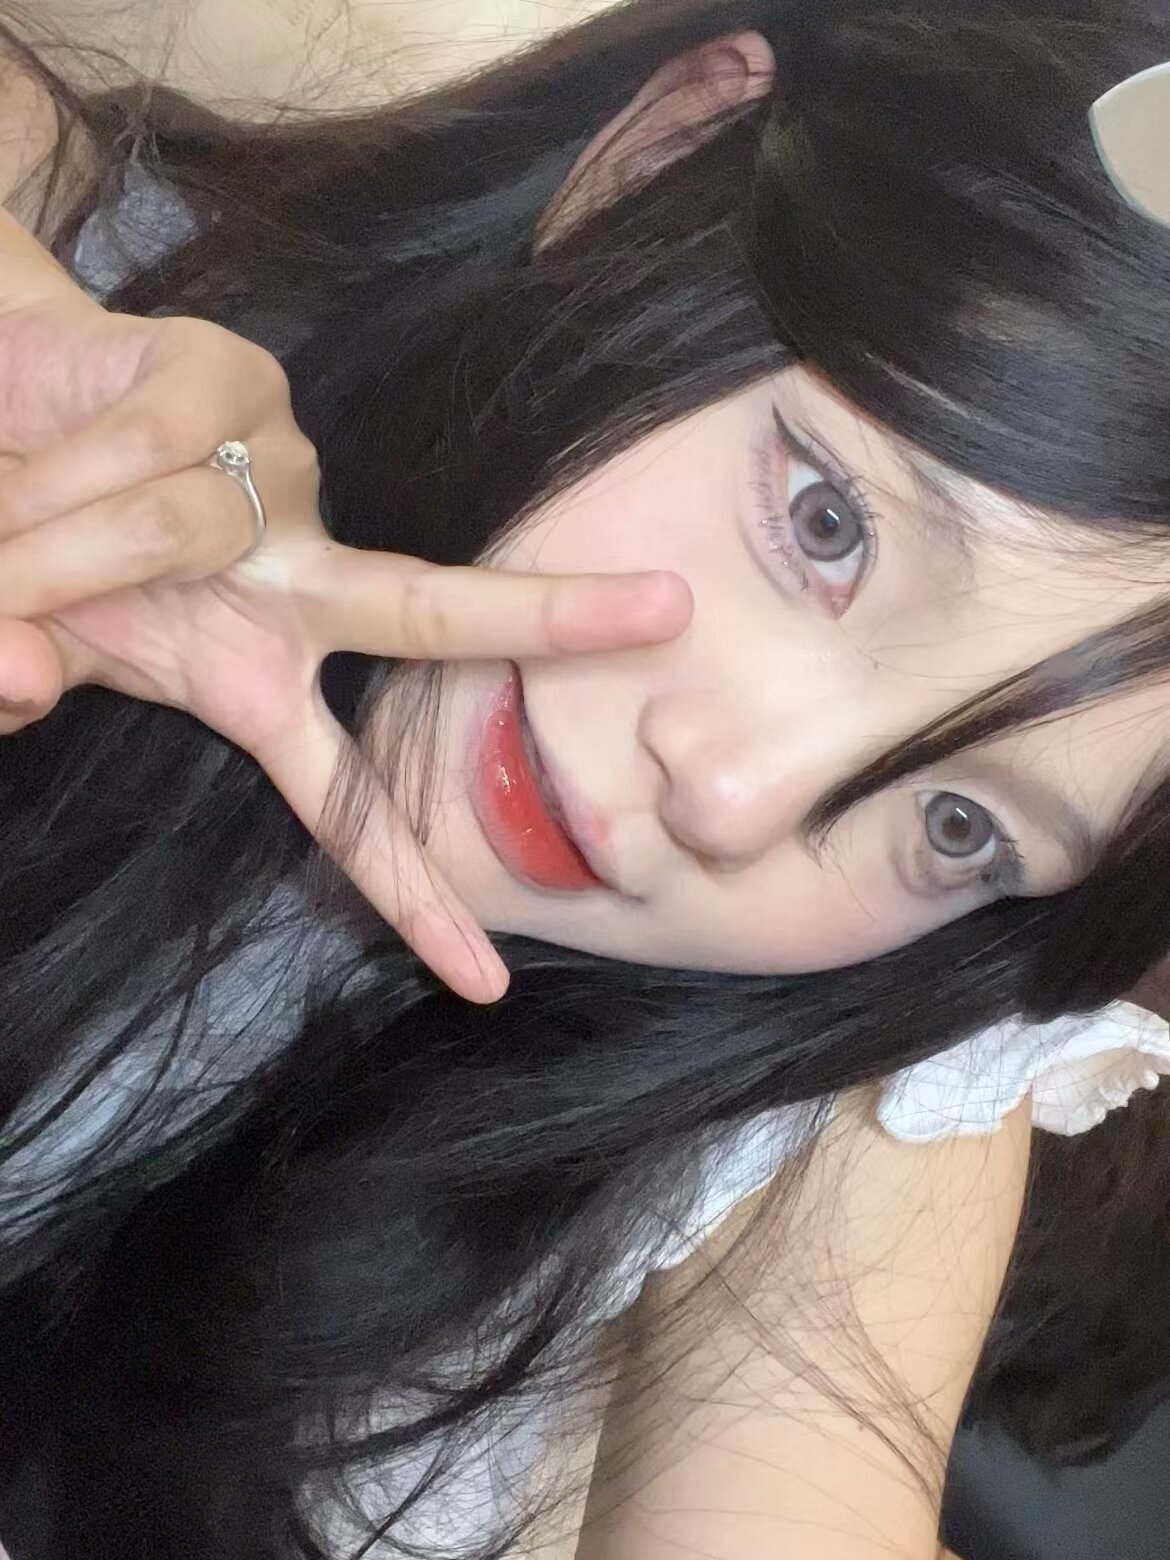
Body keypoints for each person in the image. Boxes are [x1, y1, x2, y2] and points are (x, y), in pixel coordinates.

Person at [0, 1, 1169, 1557]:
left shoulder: (804, 1114)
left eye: (957, 827)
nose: (733, 798)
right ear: (662, 154)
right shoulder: (73, 300)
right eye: (825, 526)